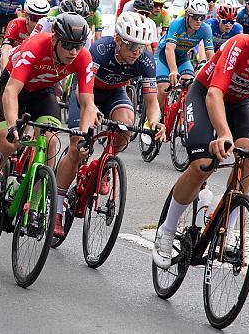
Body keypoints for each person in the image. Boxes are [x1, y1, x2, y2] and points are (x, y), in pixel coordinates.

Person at [152, 11, 249, 270]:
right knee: (202, 164)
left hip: (238, 103)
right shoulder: (239, 45)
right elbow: (213, 94)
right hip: (204, 96)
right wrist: (223, 133)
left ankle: (228, 229)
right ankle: (166, 230)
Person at [0, 13, 95, 229]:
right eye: (67, 45)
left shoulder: (82, 57)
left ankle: (35, 204)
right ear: (55, 39)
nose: (73, 52)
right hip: (15, 86)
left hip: (42, 92)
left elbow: (88, 103)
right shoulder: (36, 45)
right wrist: (11, 126)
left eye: (78, 45)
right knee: (9, 142)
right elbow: (10, 91)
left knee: (51, 142)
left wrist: (84, 135)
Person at [55, 12, 166, 236]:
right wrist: (91, 108)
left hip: (115, 93)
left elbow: (152, 102)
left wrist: (155, 122)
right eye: (132, 45)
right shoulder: (100, 50)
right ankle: (57, 208)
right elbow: (82, 90)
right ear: (118, 39)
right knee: (77, 146)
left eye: (142, 46)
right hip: (87, 91)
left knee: (126, 125)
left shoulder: (144, 60)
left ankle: (105, 165)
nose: (137, 51)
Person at [155, 0, 214, 107]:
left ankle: (184, 117)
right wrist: (173, 70)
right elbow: (169, 48)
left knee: (192, 86)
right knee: (164, 88)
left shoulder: (206, 29)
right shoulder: (177, 24)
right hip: (164, 56)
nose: (199, 21)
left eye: (202, 17)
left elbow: (210, 53)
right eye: (195, 17)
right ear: (187, 15)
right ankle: (154, 119)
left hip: (182, 58)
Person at [0, 0, 50, 70]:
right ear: (26, 15)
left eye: (42, 19)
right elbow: (6, 50)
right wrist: (5, 75)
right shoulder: (16, 24)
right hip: (13, 57)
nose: (39, 23)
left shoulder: (47, 28)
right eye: (35, 18)